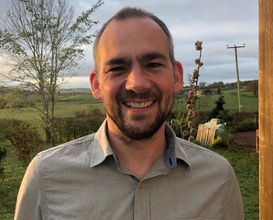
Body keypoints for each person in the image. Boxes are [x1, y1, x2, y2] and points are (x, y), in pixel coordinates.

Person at [14, 7, 244, 220]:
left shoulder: (219, 178)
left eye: (153, 64)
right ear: (96, 85)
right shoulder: (45, 176)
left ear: (176, 76)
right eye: (117, 68)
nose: (137, 84)